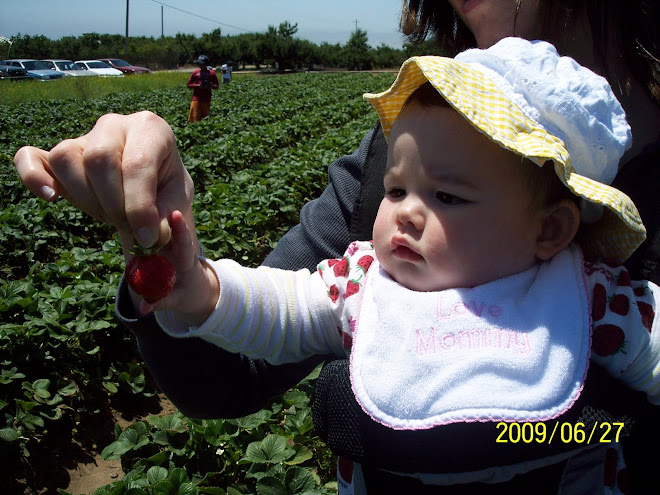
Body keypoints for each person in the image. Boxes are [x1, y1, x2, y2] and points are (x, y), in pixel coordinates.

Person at [12, 1, 660, 493]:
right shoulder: (364, 279)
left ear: (551, 229)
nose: (404, 212)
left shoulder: (589, 297)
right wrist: (189, 280)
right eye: (396, 188)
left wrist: (597, 426)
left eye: (449, 199)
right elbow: (278, 308)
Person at [187, 54, 219, 122]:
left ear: (206, 64)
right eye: (199, 64)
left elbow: (216, 86)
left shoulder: (212, 73)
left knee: (205, 118)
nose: (200, 65)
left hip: (206, 99)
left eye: (202, 64)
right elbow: (189, 84)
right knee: (194, 117)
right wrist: (197, 86)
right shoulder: (195, 73)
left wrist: (211, 85)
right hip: (196, 98)